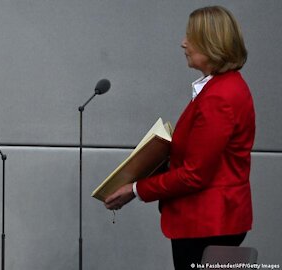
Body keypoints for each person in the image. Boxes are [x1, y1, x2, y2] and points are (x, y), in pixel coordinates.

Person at [104, 6, 255, 270]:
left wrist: (136, 189)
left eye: (191, 37)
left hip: (207, 224)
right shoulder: (225, 87)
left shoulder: (220, 96)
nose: (183, 43)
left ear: (211, 43)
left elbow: (195, 174)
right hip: (214, 221)